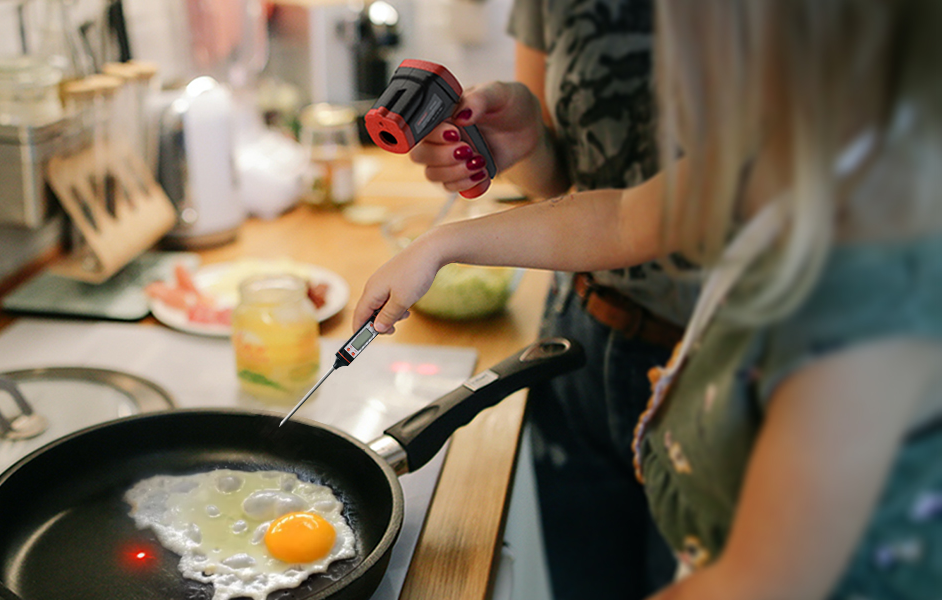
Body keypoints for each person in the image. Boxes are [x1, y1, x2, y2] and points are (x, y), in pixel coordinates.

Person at [356, 0, 942, 597]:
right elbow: (620, 219)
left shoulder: (870, 309)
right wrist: (439, 245)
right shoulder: (777, 157)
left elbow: (754, 581)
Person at [419, 0, 682, 597]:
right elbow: (581, 191)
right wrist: (528, 140)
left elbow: (643, 217)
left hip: (734, 364)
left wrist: (444, 244)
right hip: (581, 346)